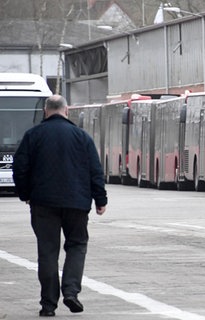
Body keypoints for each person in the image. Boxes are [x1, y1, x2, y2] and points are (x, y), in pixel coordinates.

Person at [12, 95, 107, 317]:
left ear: (46, 111)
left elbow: (20, 168)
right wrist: (100, 200)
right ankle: (71, 292)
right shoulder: (82, 136)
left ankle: (48, 305)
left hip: (43, 203)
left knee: (47, 251)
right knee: (77, 245)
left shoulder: (32, 135)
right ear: (67, 110)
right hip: (77, 203)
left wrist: (26, 194)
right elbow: (95, 170)